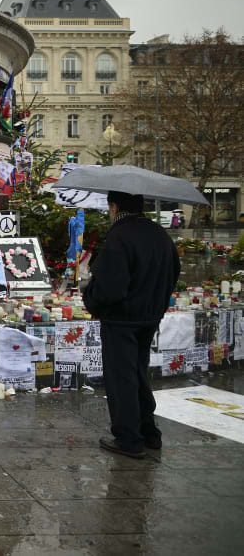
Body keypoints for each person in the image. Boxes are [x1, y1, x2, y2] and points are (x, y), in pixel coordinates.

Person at [83, 191, 180, 459]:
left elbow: (109, 288)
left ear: (114, 207)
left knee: (121, 377)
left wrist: (91, 300)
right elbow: (174, 271)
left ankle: (129, 439)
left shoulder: (119, 236)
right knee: (137, 371)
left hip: (121, 319)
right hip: (149, 316)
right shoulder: (159, 234)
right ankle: (150, 433)